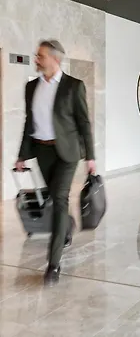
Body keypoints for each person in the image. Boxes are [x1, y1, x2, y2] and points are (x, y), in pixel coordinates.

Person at [15, 40, 95, 286]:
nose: (36, 60)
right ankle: (67, 227)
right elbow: (29, 121)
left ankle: (53, 264)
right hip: (42, 151)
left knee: (59, 199)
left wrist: (90, 157)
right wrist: (22, 155)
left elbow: (84, 123)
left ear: (55, 59)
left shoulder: (73, 86)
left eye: (40, 56)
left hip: (67, 153)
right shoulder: (31, 87)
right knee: (54, 198)